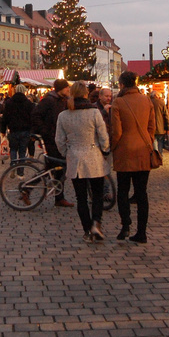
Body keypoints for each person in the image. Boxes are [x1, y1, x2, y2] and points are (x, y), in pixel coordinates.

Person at [56, 81, 111, 242]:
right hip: (94, 156)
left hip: (75, 158)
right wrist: (105, 150)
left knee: (81, 198)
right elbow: (103, 135)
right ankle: (96, 223)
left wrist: (67, 152)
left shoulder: (64, 115)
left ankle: (87, 230)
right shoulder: (94, 113)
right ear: (86, 94)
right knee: (97, 195)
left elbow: (59, 140)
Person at [111, 71, 155, 243]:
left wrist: (113, 147)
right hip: (143, 150)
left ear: (122, 84)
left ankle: (125, 225)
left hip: (125, 151)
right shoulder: (146, 100)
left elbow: (117, 131)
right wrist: (149, 142)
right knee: (141, 193)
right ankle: (142, 232)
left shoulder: (119, 102)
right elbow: (152, 126)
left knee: (123, 190)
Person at [33, 79, 75, 207]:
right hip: (51, 138)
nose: (68, 90)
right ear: (60, 89)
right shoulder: (49, 100)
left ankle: (59, 197)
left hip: (60, 138)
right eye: (66, 88)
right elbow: (36, 115)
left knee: (58, 168)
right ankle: (28, 189)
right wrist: (44, 131)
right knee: (55, 167)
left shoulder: (63, 100)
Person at [3, 84, 34, 163]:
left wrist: (2, 130)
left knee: (13, 149)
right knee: (22, 151)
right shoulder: (28, 103)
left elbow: (5, 117)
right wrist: (33, 130)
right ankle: (21, 171)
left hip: (13, 129)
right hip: (25, 130)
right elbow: (32, 117)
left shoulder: (9, 102)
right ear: (24, 91)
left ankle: (13, 165)